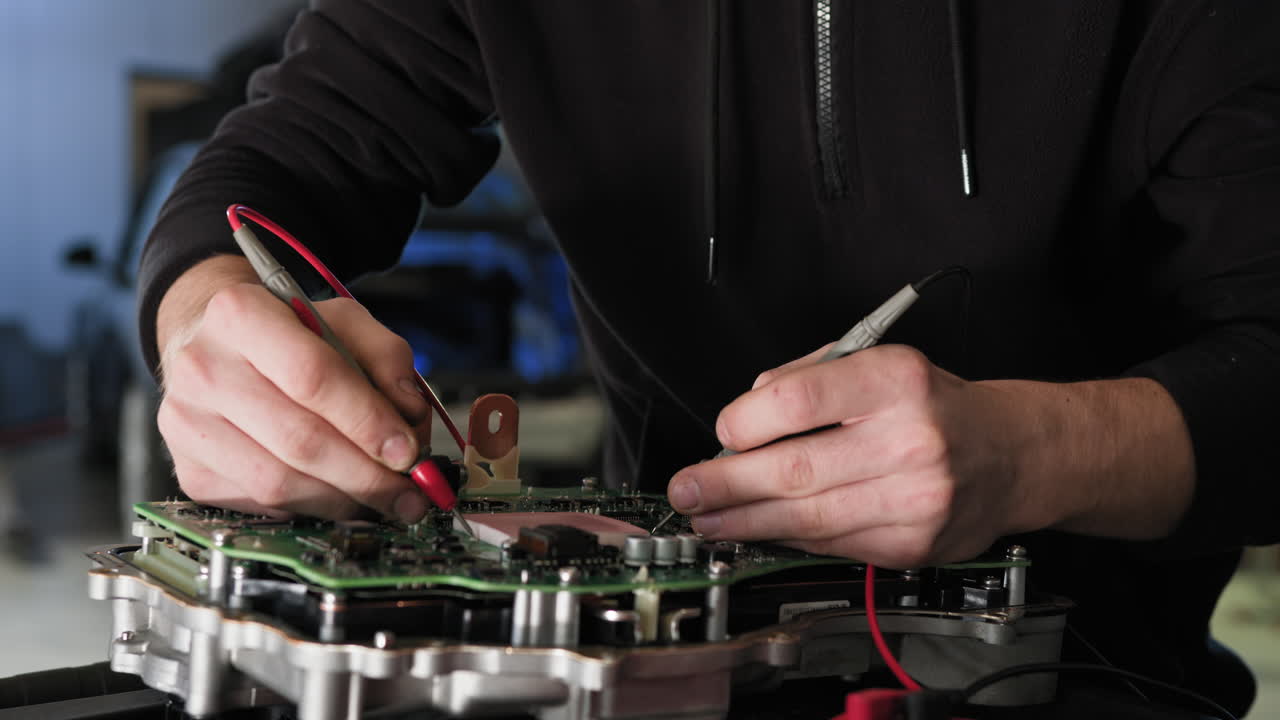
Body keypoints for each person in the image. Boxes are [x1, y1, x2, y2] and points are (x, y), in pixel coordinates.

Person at [138, 1, 1280, 714]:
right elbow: (289, 157)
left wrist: (1037, 454)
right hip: (644, 664)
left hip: (1075, 670)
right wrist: (205, 310)